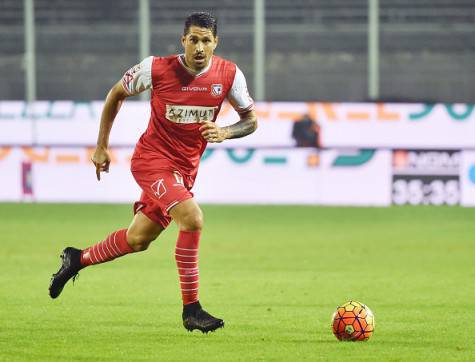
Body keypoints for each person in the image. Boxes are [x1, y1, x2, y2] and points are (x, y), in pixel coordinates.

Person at [49, 12, 257, 334]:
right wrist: (102, 146)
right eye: (193, 40)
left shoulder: (229, 75)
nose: (199, 47)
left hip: (184, 172)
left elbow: (251, 120)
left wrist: (226, 132)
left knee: (137, 239)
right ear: (183, 41)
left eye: (206, 40)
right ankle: (192, 309)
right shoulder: (156, 68)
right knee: (193, 218)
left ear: (216, 42)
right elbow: (115, 94)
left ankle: (78, 259)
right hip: (152, 160)